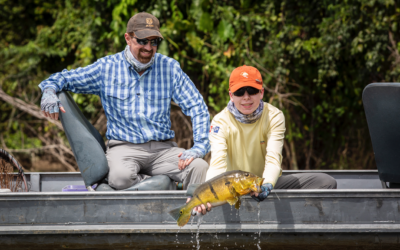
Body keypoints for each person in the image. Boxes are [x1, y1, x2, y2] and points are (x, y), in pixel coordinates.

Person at [38, 12, 210, 190]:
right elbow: (64, 78)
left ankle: (187, 214)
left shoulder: (170, 67)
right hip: (124, 148)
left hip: (162, 149)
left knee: (199, 166)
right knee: (120, 177)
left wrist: (199, 147)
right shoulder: (106, 68)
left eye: (154, 42)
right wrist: (49, 91)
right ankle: (161, 186)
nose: (148, 47)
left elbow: (197, 106)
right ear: (128, 38)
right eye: (142, 41)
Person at [192, 65, 336, 214]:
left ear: (261, 93)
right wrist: (205, 196)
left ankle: (305, 224)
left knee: (326, 182)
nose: (246, 97)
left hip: (264, 182)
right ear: (231, 95)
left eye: (252, 91)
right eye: (240, 92)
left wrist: (266, 185)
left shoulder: (274, 116)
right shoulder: (219, 121)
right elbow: (217, 165)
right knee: (206, 197)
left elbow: (273, 160)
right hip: (232, 189)